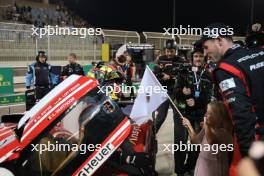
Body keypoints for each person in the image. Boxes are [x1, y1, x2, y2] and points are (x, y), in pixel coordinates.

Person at [199, 23, 264, 176]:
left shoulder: (226, 69)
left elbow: (241, 115)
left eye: (206, 47)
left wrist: (249, 158)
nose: (205, 53)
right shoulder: (259, 54)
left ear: (219, 40)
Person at [182, 101, 233, 176]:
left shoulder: (224, 130)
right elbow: (196, 142)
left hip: (215, 168)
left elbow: (211, 140)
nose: (205, 115)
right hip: (203, 165)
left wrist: (206, 125)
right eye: (206, 112)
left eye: (209, 113)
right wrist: (189, 126)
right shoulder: (207, 127)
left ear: (217, 115)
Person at [153, 39, 185, 132]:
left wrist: (170, 76)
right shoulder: (160, 59)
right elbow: (153, 71)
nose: (169, 53)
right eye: (167, 51)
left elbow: (183, 74)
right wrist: (161, 75)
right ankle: (150, 136)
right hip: (163, 92)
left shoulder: (181, 60)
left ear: (175, 50)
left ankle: (179, 141)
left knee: (178, 117)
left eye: (172, 51)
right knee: (160, 116)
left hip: (176, 92)